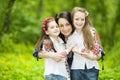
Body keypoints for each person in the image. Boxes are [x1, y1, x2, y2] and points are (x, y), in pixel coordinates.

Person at [66, 7, 104, 80]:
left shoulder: (91, 31)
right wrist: (76, 50)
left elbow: (98, 48)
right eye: (77, 19)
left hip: (92, 67)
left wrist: (92, 56)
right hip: (76, 68)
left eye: (82, 19)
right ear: (72, 19)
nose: (79, 22)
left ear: (85, 20)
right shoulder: (70, 35)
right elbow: (69, 48)